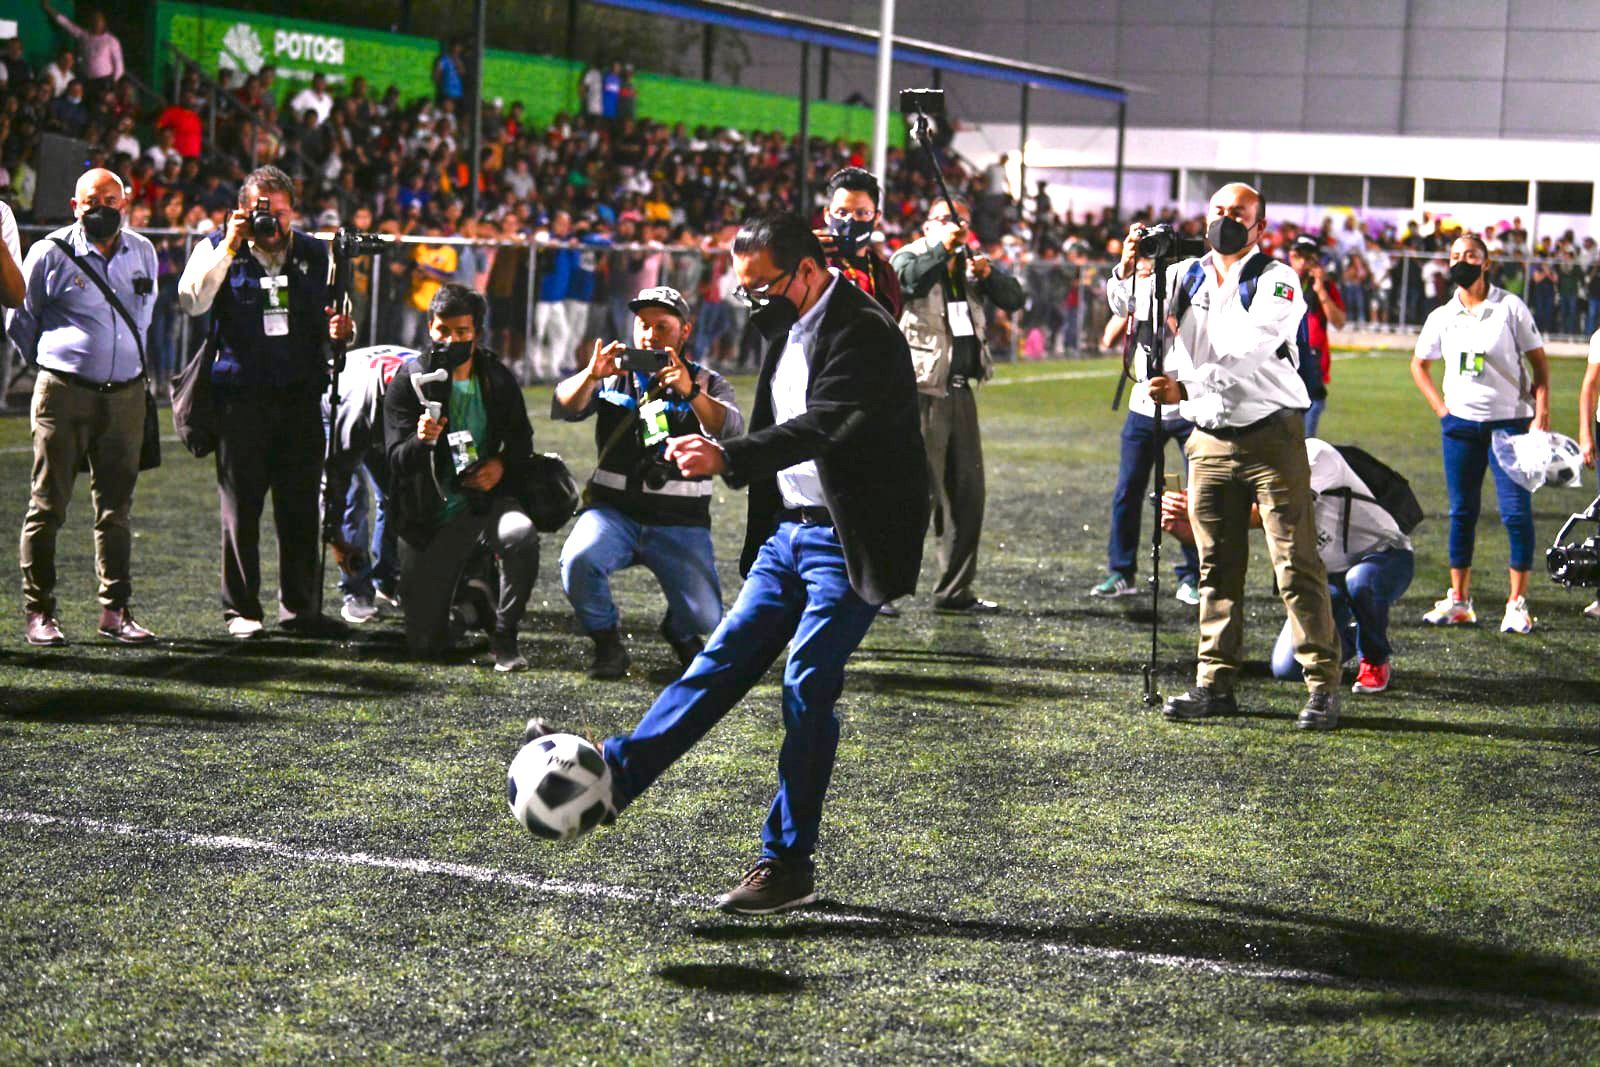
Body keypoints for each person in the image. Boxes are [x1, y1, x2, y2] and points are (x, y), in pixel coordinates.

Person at [529, 211, 928, 914]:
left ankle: (788, 862)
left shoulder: (864, 329)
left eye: (763, 285)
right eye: (745, 288)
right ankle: (615, 775)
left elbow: (825, 423)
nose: (752, 301)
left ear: (807, 271)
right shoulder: (787, 321)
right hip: (790, 537)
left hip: (848, 537)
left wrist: (728, 456)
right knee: (719, 659)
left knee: (807, 679)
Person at [1112, 182, 1343, 730]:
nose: (1226, 219)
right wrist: (1131, 268)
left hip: (1271, 436)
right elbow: (1126, 308)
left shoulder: (1277, 279)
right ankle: (1214, 684)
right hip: (1210, 439)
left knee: (1295, 565)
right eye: (1218, 210)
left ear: (1259, 227)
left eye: (1238, 213)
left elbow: (1245, 352)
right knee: (1216, 566)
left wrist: (1186, 389)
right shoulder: (1182, 272)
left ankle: (1323, 686)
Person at [177, 164, 354, 639]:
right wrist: (231, 245)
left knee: (300, 509)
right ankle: (241, 611)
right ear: (242, 209)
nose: (271, 222)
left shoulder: (317, 254)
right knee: (242, 511)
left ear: (293, 211)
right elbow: (192, 302)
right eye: (261, 211)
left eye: (279, 212)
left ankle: (300, 609)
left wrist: (344, 333)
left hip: (299, 397)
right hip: (241, 401)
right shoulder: (216, 246)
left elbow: (332, 319)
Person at [551, 285, 744, 679]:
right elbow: (563, 407)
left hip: (680, 520)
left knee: (706, 617)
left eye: (662, 326)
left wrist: (690, 393)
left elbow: (733, 431)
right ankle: (607, 644)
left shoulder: (706, 381)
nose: (650, 335)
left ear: (685, 331)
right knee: (579, 559)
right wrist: (590, 374)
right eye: (643, 325)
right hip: (613, 512)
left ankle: (679, 628)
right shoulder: (611, 375)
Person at [10, 169, 155, 647]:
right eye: (92, 200)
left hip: (126, 395)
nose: (102, 207)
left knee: (116, 509)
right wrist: (55, 365)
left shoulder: (143, 251)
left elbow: (145, 315)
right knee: (47, 505)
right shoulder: (50, 252)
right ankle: (39, 611)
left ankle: (114, 610)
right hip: (65, 394)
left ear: (126, 201)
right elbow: (20, 318)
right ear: (75, 205)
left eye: (110, 199)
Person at [1162, 438, 1415, 695]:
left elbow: (1281, 510)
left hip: (1384, 557)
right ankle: (1357, 631)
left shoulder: (1316, 454)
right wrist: (1191, 533)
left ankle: (1374, 659)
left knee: (1360, 582)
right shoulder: (1251, 469)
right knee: (1288, 668)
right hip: (1327, 576)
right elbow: (1228, 534)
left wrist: (1199, 513)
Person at [383, 284, 537, 671]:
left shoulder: (496, 377)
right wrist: (421, 442)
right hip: (429, 514)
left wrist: (500, 465)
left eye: (462, 332)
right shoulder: (409, 380)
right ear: (429, 327)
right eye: (443, 330)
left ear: (477, 333)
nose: (452, 340)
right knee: (424, 644)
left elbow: (523, 441)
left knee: (520, 535)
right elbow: (396, 461)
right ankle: (472, 602)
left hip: (486, 503)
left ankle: (504, 633)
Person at [1410, 233, 1550, 634]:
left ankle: (1516, 603)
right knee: (1461, 513)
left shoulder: (1509, 307)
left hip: (1510, 423)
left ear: (1486, 262)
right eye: (1455, 255)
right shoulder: (1442, 315)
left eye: (1470, 254)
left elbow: (1540, 364)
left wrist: (1541, 410)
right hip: (1461, 427)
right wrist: (1442, 410)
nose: (1462, 260)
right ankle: (1459, 600)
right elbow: (1418, 364)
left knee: (1515, 513)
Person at [890, 196, 1024, 614]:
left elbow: (1014, 299)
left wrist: (990, 273)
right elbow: (906, 283)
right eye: (946, 219)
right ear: (928, 225)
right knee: (914, 494)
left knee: (968, 494)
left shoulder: (970, 264)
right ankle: (883, 590)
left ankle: (955, 591)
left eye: (960, 221)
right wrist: (941, 249)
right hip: (922, 391)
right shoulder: (910, 255)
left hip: (962, 391)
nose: (954, 226)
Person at [1089, 259, 1201, 606]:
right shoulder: (1135, 298)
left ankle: (1193, 574)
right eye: (1143, 265)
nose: (1147, 272)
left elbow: (1197, 342)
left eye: (1152, 266)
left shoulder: (1187, 293)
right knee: (1128, 490)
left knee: (1193, 495)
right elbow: (1107, 338)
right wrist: (1134, 295)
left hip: (1185, 403)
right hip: (1143, 405)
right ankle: (1122, 572)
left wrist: (1167, 309)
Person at [324, 344, 418, 624]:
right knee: (353, 498)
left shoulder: (433, 383)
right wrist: (333, 534)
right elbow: (334, 483)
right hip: (339, 403)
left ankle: (386, 579)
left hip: (376, 399)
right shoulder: (359, 411)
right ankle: (356, 590)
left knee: (397, 493)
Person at [814, 167, 902, 320]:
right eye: (842, 212)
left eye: (862, 213)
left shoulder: (885, 273)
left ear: (876, 218)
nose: (850, 220)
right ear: (827, 215)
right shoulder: (811, 262)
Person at [1287, 235, 1345, 436]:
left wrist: (1321, 291)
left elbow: (1339, 322)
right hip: (1285, 364)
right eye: (1297, 256)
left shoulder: (1326, 287)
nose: (1302, 262)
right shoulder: (1280, 282)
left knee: (1305, 441)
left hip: (1313, 365)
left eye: (1307, 257)